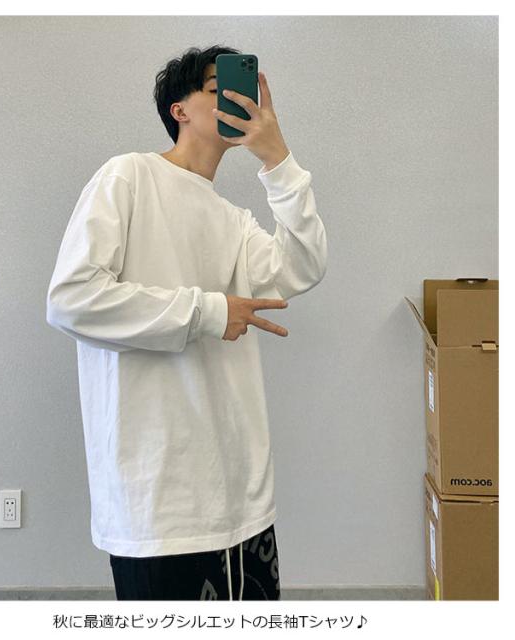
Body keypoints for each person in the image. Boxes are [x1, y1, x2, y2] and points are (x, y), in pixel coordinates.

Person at [46, 45, 328, 600]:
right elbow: (72, 298)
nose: (236, 97)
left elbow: (303, 266)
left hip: (242, 496)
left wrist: (278, 161)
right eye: (217, 87)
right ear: (179, 110)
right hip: (159, 503)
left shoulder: (233, 220)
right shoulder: (128, 176)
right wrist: (210, 311)